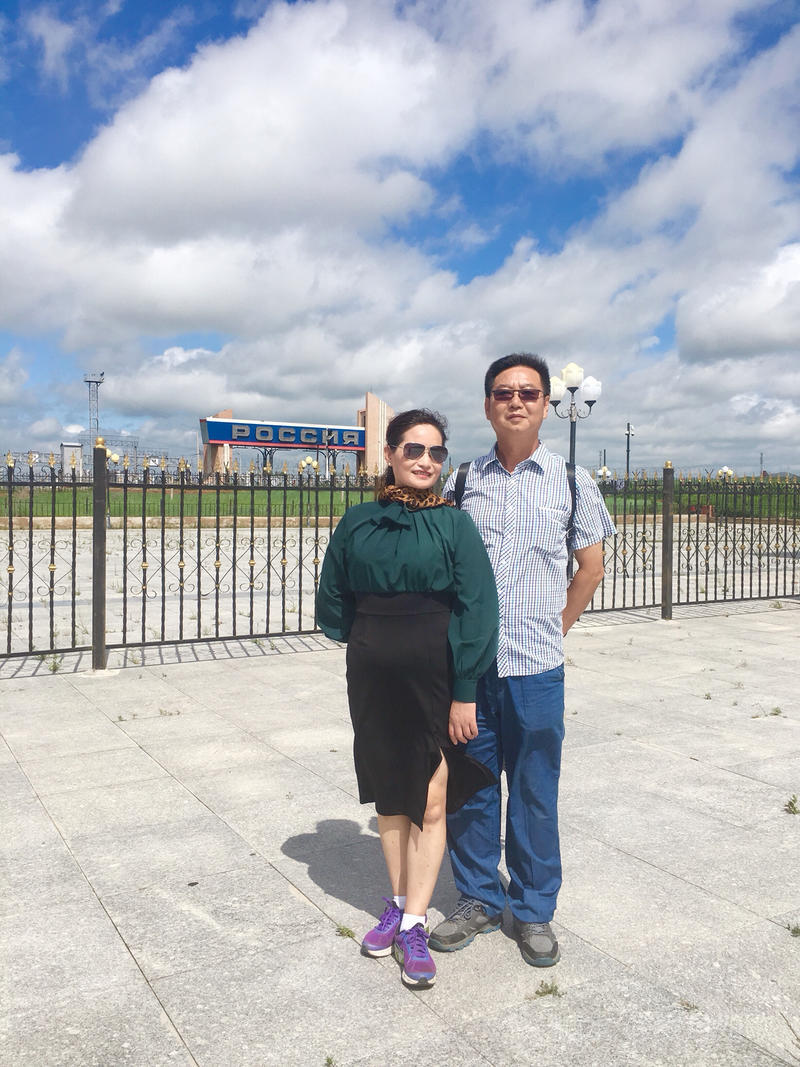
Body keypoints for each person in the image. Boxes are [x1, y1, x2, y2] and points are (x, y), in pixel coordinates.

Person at [429, 353, 615, 968]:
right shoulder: (461, 483)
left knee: (535, 789)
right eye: (504, 392)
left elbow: (590, 567)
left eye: (529, 393)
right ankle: (479, 898)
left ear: (544, 404)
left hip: (536, 669)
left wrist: (555, 628)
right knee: (472, 785)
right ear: (487, 404)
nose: (516, 401)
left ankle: (534, 908)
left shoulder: (572, 481)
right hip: (470, 672)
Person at [316, 409, 499, 990]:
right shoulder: (358, 521)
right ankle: (396, 905)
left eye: (436, 452)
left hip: (436, 673)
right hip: (372, 673)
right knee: (391, 793)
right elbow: (334, 591)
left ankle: (416, 923)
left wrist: (465, 691)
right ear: (390, 454)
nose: (425, 460)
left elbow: (478, 607)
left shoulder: (455, 525)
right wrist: (364, 638)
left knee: (432, 797)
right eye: (414, 449)